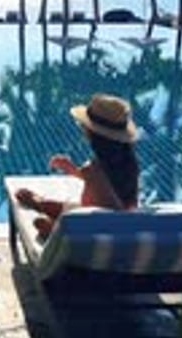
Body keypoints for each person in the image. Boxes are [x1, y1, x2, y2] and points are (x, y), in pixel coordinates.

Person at [16, 93, 140, 237]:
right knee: (63, 207)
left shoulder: (93, 171)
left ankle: (45, 213)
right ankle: (40, 203)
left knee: (40, 222)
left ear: (91, 133)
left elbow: (97, 185)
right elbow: (106, 188)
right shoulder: (130, 166)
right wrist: (72, 170)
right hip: (118, 227)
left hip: (89, 234)